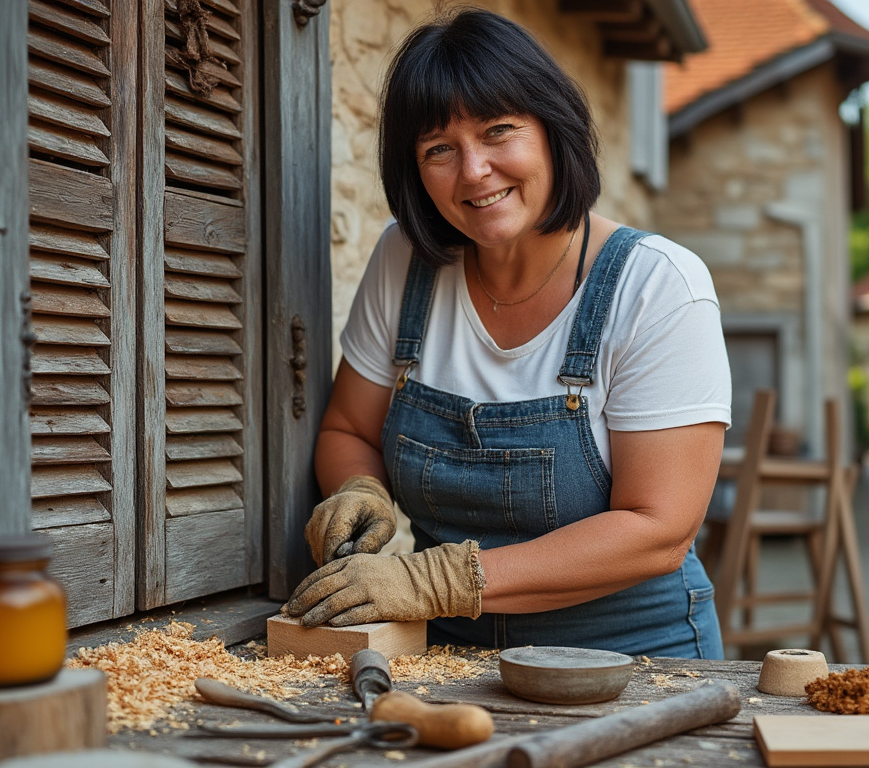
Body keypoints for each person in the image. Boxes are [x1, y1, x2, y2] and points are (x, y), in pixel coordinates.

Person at [280, 8, 731, 659]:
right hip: (447, 653)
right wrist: (360, 490)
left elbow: (658, 530)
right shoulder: (404, 261)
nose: (473, 171)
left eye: (499, 132)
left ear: (552, 131)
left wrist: (432, 578)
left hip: (634, 655)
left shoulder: (656, 285)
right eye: (439, 149)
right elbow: (348, 429)